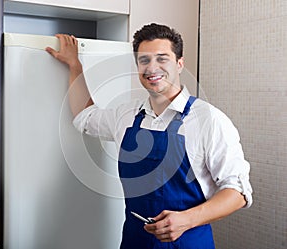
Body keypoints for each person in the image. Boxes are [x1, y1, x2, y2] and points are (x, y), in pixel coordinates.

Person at [46, 23, 253, 249]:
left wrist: (186, 220)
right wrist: (75, 65)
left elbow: (238, 192)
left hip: (188, 242)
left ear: (179, 63)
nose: (152, 68)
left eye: (162, 58)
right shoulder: (126, 115)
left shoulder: (210, 120)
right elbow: (86, 117)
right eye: (144, 60)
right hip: (135, 241)